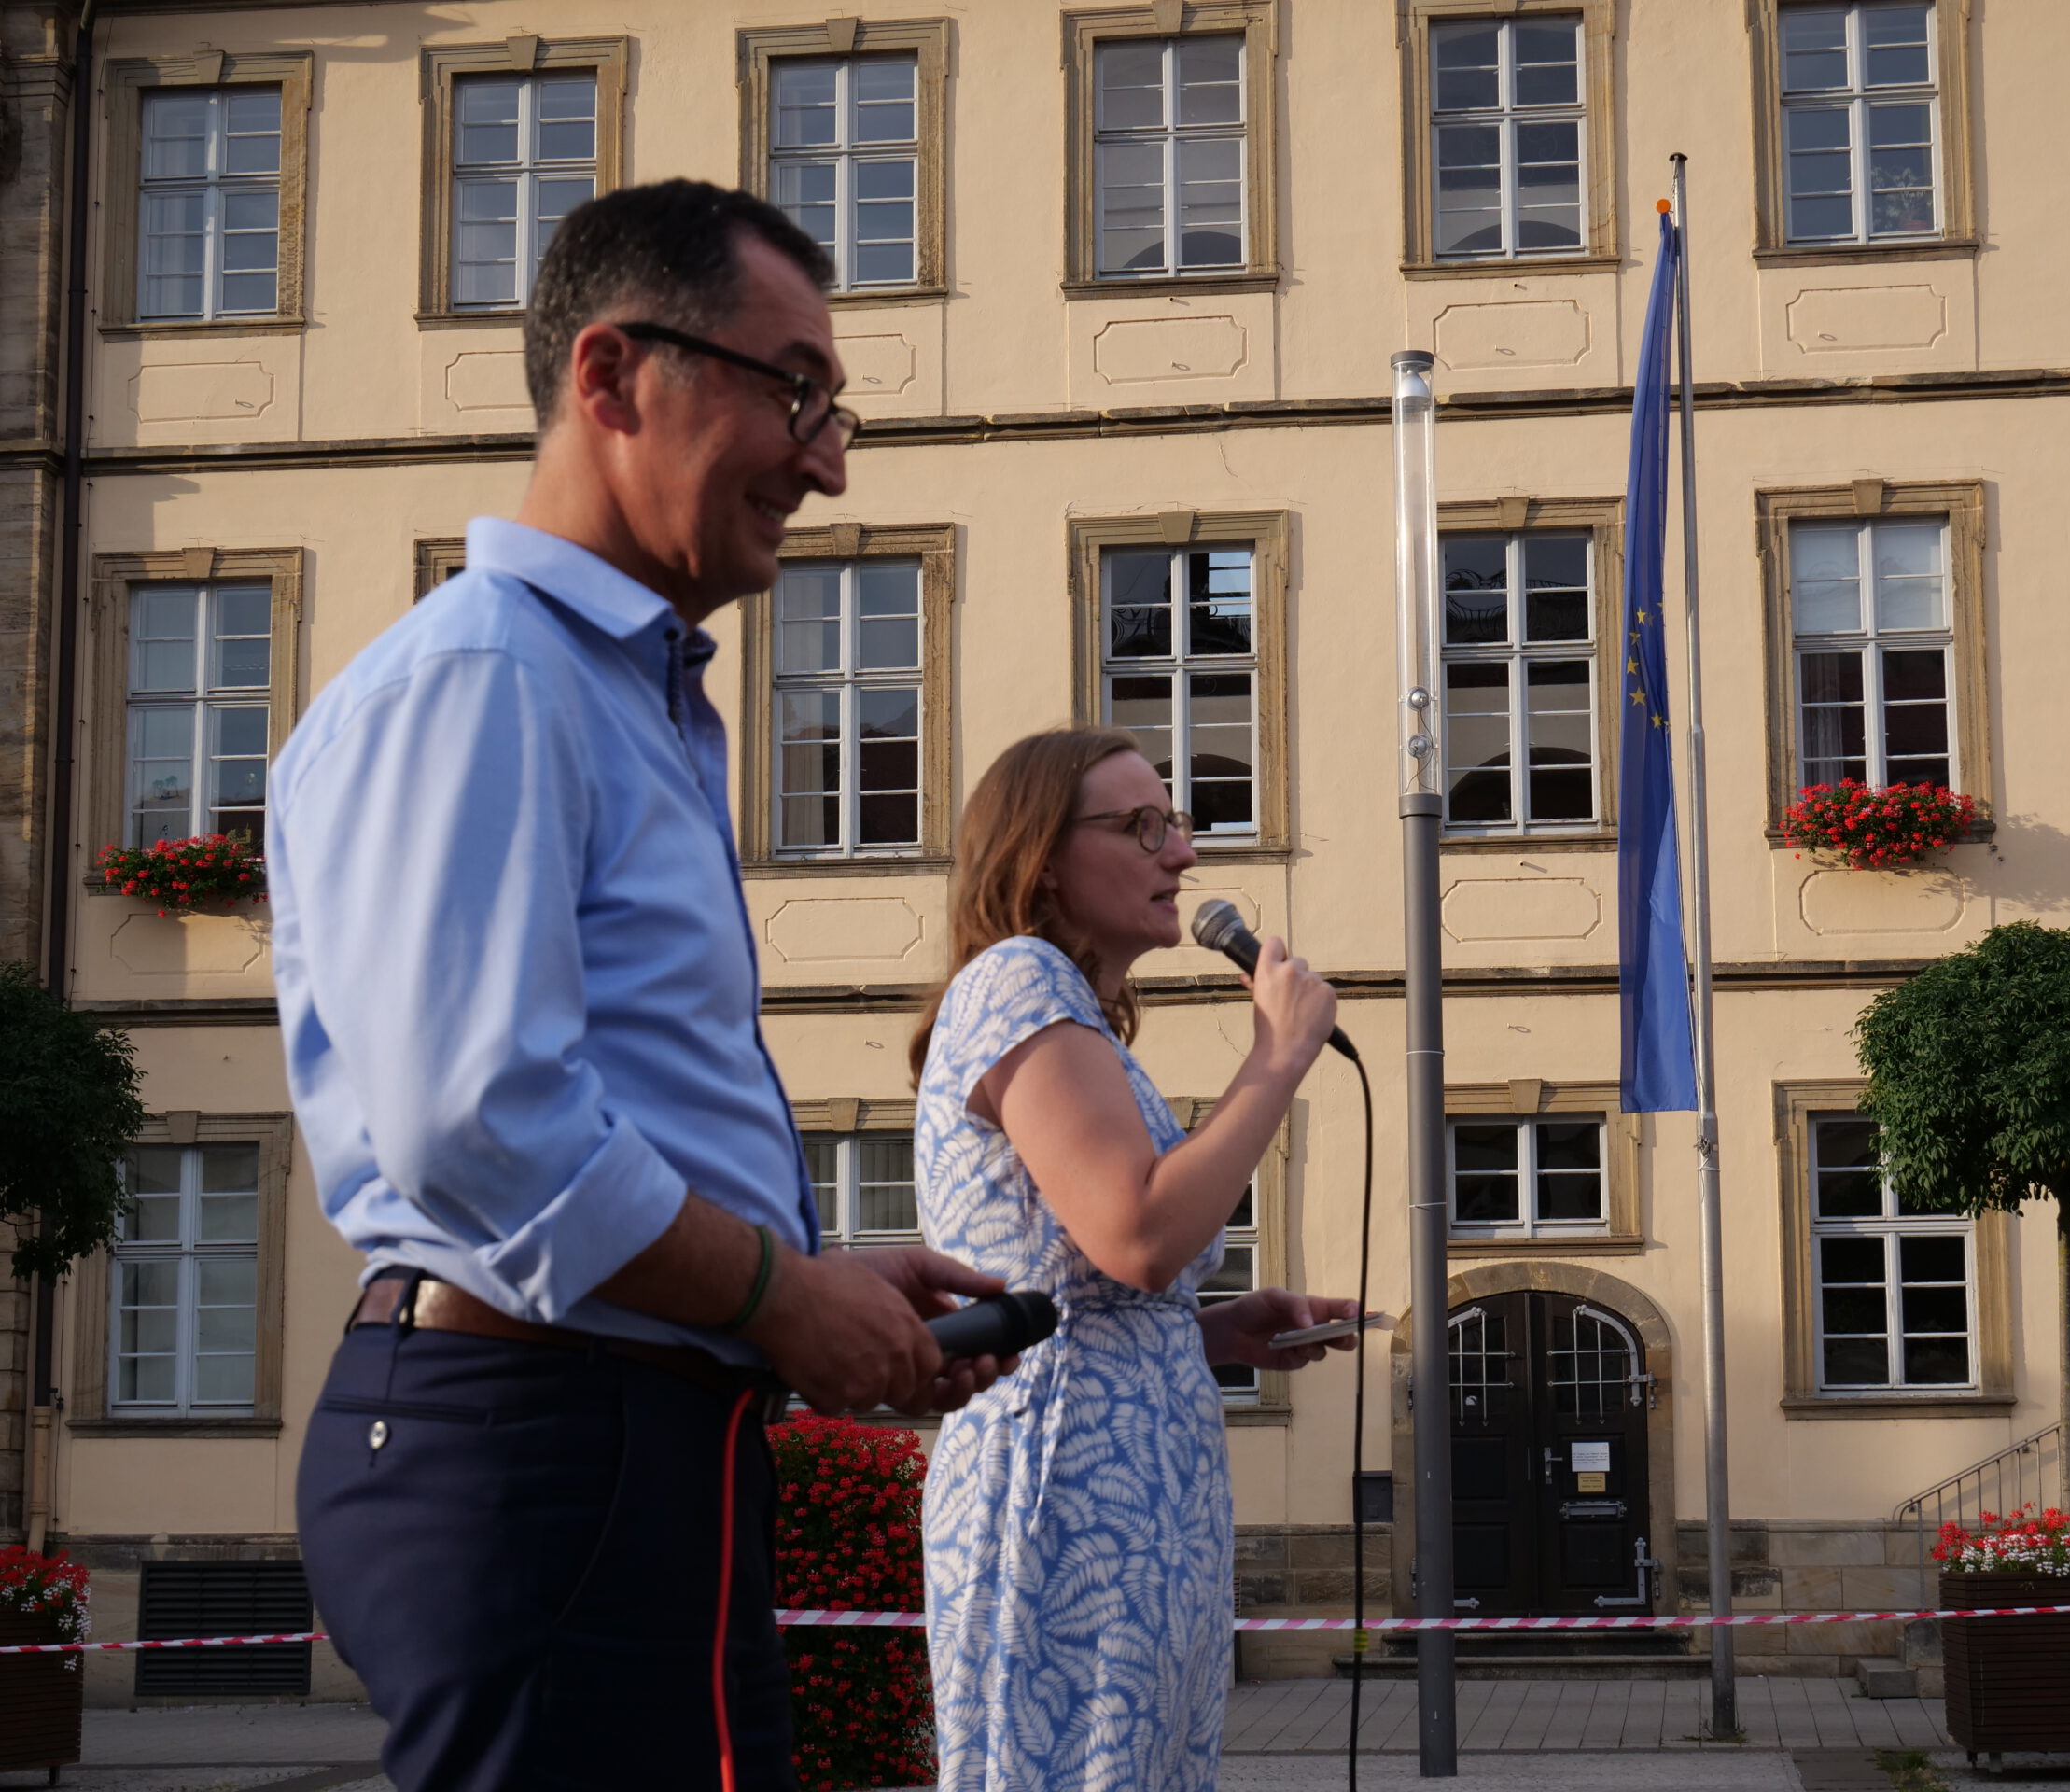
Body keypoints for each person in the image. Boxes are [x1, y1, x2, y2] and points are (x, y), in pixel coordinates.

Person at [272, 181, 1013, 1792]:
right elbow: (482, 1121)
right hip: (544, 1432)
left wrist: (815, 1284)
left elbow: (585, 1101)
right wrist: (777, 1296)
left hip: (614, 1424)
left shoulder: (609, 695)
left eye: (838, 407)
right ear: (612, 378)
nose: (825, 458)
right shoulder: (489, 676)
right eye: (795, 389)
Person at [912, 728, 1363, 1791]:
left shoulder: (1075, 1019)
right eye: (1141, 826)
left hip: (1132, 1489)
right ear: (1041, 855)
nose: (1183, 856)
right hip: (1066, 1492)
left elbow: (1088, 1279)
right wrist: (1278, 1055)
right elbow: (1138, 1236)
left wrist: (1209, 1331)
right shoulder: (1018, 981)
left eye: (1178, 823)